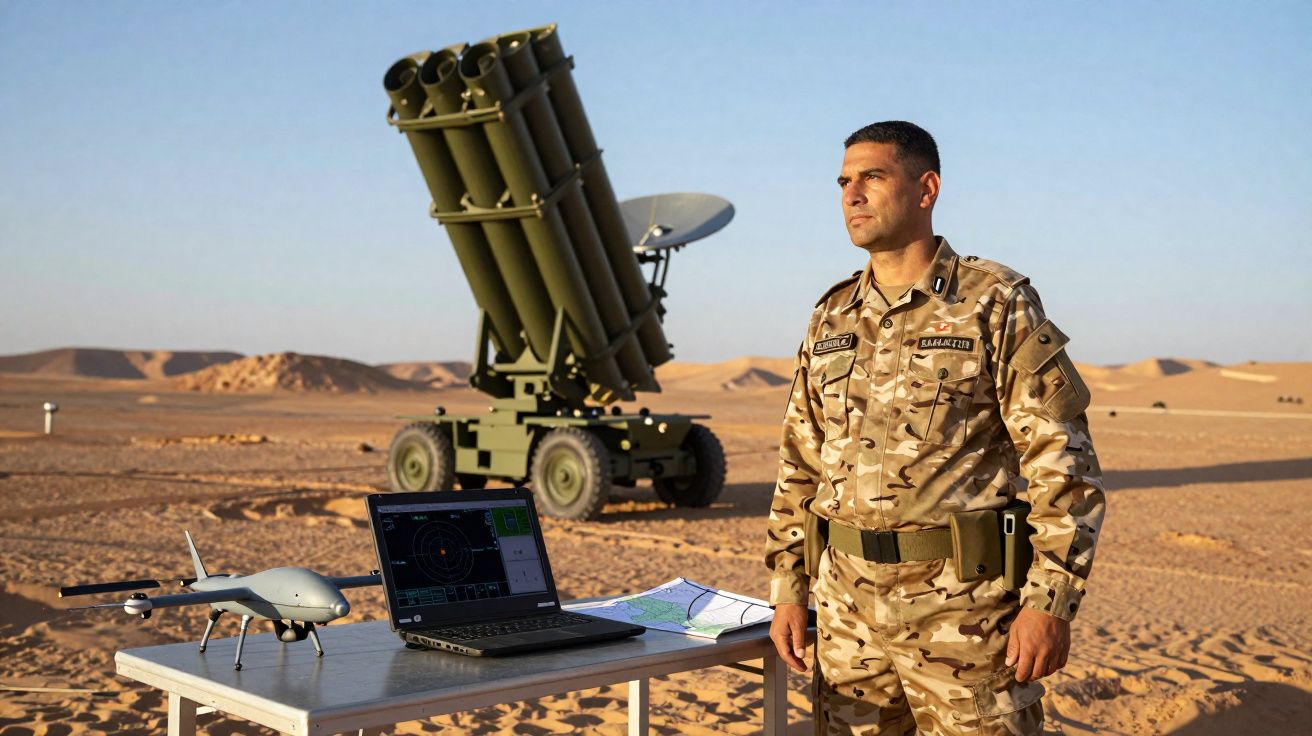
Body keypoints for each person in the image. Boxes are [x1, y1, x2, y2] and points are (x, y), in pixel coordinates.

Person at [764, 121, 1106, 735]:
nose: (851, 194)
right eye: (844, 181)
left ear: (927, 189)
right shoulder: (831, 314)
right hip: (847, 619)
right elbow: (800, 462)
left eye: (872, 177)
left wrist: (1049, 603)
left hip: (964, 615)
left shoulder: (995, 301)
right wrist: (788, 584)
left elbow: (1063, 463)